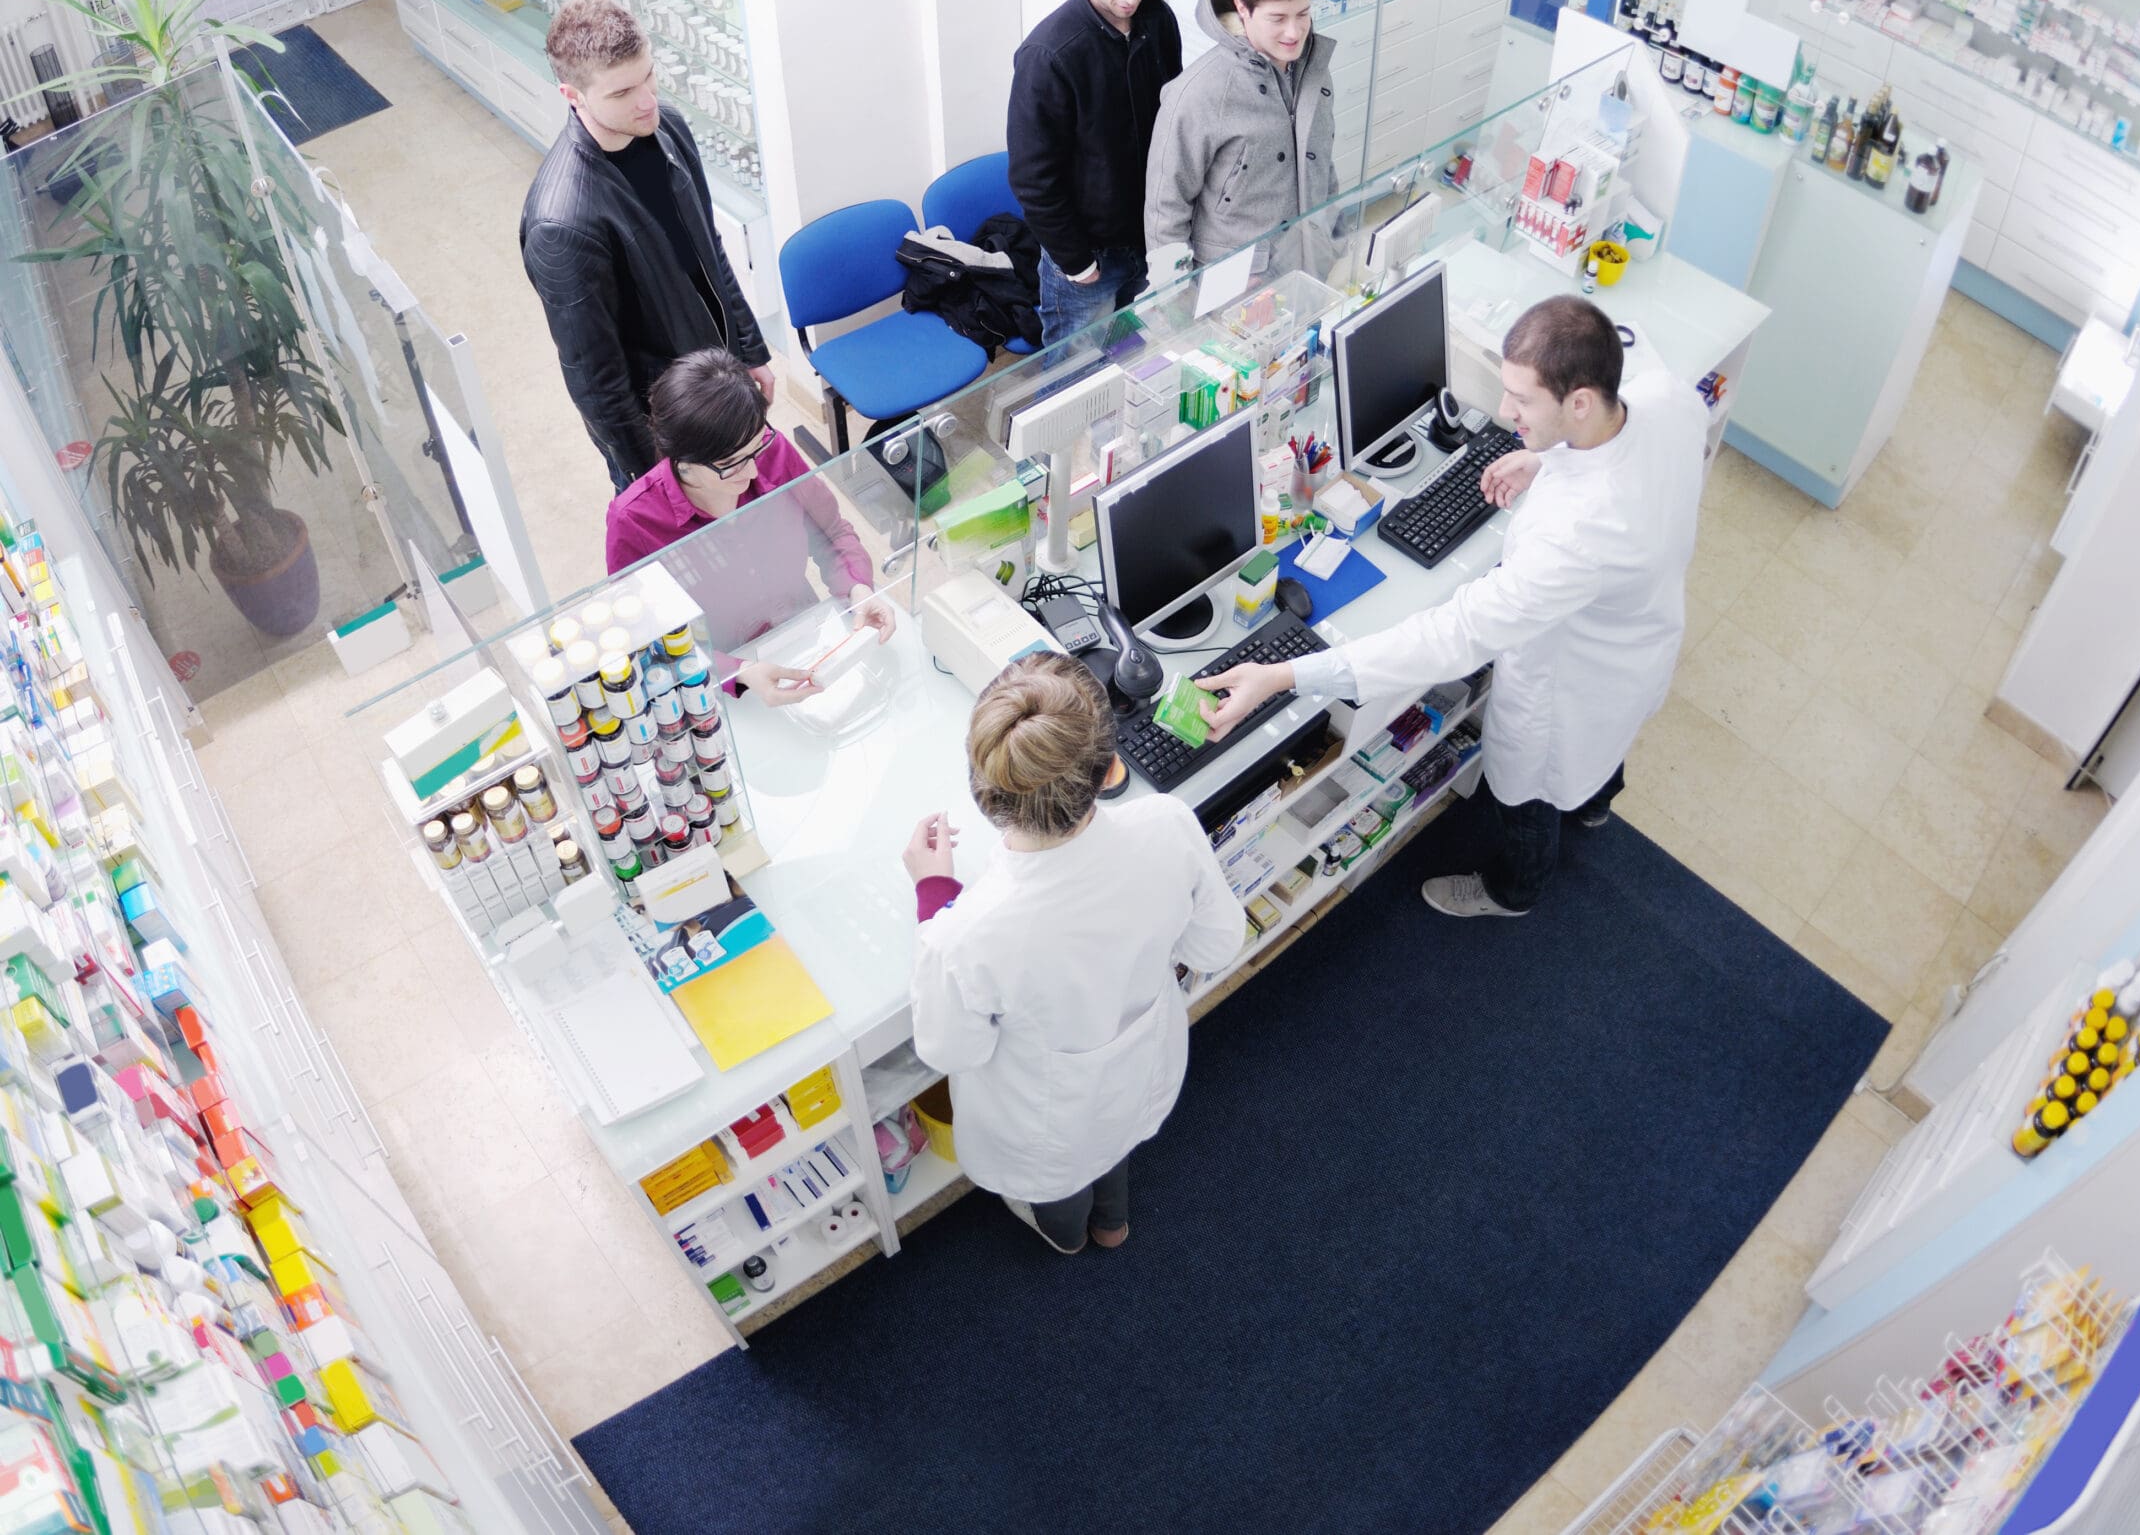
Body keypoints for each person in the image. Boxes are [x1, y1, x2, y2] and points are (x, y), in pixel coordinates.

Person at [1200, 298, 1706, 919]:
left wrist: (1284, 675)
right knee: (1605, 756)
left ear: (1578, 402)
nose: (1502, 411)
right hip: (1638, 642)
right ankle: (1596, 806)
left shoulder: (1581, 538)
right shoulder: (1668, 399)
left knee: (1530, 797)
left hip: (1571, 684)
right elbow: (1615, 453)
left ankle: (1511, 891)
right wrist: (1546, 456)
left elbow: (1452, 635)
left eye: (1522, 401)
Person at [904, 654, 1247, 1255]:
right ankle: (1113, 1227)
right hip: (1138, 1064)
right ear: (1111, 769)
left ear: (985, 791)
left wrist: (934, 891)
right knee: (1115, 1141)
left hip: (1045, 1119)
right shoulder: (1166, 822)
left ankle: (1066, 1240)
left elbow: (951, 1048)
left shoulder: (966, 933)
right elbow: (1217, 943)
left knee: (1061, 1182)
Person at [522, 0, 774, 491]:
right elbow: (597, 383)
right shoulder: (562, 223)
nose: (647, 101)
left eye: (649, 77)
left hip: (717, 386)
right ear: (572, 95)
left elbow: (709, 253)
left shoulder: (669, 129)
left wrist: (750, 351)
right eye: (621, 93)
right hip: (666, 433)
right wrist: (656, 476)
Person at [605, 349, 892, 705]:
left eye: (756, 448)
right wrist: (735, 673)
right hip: (717, 676)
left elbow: (831, 531)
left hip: (805, 631)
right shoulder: (634, 520)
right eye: (729, 464)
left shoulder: (773, 453)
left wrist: (858, 589)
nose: (754, 472)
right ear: (680, 459)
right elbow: (645, 637)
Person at [1006, 0, 1182, 349]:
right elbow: (1032, 178)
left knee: (1138, 364)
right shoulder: (1049, 55)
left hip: (1150, 237)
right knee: (1073, 388)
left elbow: (1175, 122)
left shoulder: (1158, 20)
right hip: (1089, 259)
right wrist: (1077, 263)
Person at [1143, 0, 1341, 284]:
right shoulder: (1198, 93)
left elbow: (1322, 161)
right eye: (1277, 18)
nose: (1294, 32)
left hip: (1309, 263)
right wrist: (1175, 296)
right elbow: (1165, 207)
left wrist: (1335, 237)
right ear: (1243, 9)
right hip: (1235, 280)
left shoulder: (1312, 69)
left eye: (1303, 14)